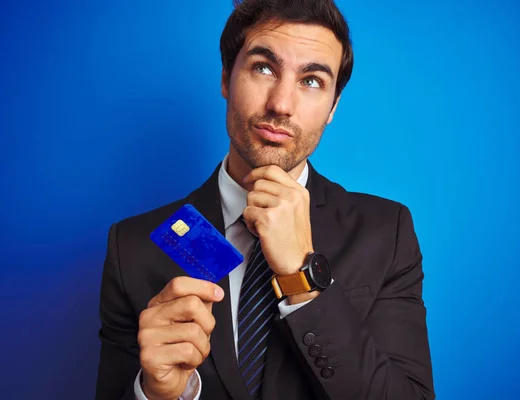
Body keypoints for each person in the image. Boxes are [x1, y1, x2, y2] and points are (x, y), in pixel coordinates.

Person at [95, 0, 435, 399]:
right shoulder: (132, 246)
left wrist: (302, 278)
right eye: (263, 68)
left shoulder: (385, 233)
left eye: (311, 80)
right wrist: (155, 393)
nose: (281, 104)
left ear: (332, 108)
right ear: (226, 77)